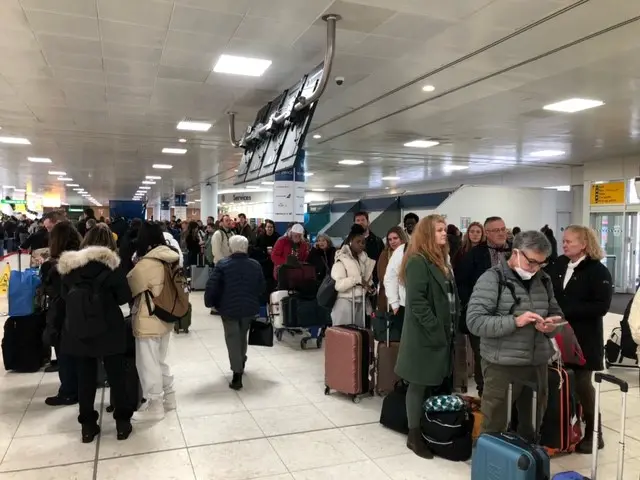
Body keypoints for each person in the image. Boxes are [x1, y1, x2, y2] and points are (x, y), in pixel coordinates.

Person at [466, 230, 564, 442]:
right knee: (494, 424)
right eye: (531, 262)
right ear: (517, 253)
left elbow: (557, 314)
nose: (535, 268)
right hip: (501, 365)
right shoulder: (492, 279)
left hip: (537, 363)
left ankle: (524, 468)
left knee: (532, 424)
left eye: (541, 263)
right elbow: (474, 322)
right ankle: (491, 470)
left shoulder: (543, 280)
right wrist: (514, 321)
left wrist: (552, 327)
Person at [57, 224, 134, 443]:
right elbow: (123, 297)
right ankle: (122, 423)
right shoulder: (113, 267)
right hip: (109, 327)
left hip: (79, 329)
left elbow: (64, 297)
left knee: (86, 378)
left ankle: (88, 426)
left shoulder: (70, 267)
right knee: (117, 376)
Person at [394, 215, 458, 459]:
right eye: (439, 230)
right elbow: (417, 303)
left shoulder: (442, 260)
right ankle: (413, 434)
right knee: (418, 383)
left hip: (444, 332)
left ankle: (430, 426)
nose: (444, 234)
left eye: (444, 229)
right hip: (425, 335)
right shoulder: (418, 261)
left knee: (434, 381)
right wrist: (436, 328)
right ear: (427, 234)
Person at [547, 225, 612, 453]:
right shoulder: (558, 265)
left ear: (584, 244)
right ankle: (565, 429)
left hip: (584, 338)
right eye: (563, 241)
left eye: (569, 241)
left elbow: (601, 306)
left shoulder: (598, 271)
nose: (564, 245)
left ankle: (595, 433)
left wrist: (565, 310)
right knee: (563, 382)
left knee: (583, 385)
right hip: (557, 334)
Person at [127, 222, 180, 422]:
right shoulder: (172, 257)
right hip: (166, 315)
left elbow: (131, 286)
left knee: (147, 362)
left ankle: (155, 405)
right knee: (159, 360)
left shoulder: (147, 263)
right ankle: (170, 397)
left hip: (148, 318)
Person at [455, 216, 511, 396]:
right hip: (482, 315)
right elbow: (461, 282)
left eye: (503, 229)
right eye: (496, 230)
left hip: (508, 315)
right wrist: (473, 304)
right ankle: (484, 393)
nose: (501, 233)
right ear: (487, 233)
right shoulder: (475, 254)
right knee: (483, 356)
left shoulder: (514, 253)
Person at [204, 236, 265, 390]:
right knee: (242, 335)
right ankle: (242, 360)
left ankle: (236, 374)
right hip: (248, 309)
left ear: (231, 248)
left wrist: (210, 302)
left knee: (232, 338)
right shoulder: (255, 265)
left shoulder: (223, 264)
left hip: (228, 308)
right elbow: (261, 287)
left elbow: (212, 285)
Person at [41, 221, 83, 405]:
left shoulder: (55, 267)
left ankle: (68, 391)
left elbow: (52, 292)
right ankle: (82, 387)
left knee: (64, 353)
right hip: (82, 313)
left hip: (62, 314)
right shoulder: (83, 260)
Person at [330, 224, 375, 326]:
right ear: (350, 242)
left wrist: (371, 288)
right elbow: (338, 285)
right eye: (358, 242)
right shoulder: (341, 259)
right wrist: (357, 280)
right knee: (343, 336)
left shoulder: (364, 260)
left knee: (357, 337)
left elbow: (367, 280)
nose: (361, 245)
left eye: (363, 242)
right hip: (345, 302)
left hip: (361, 302)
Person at [376, 226, 408, 312]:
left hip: (405, 297)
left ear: (402, 237)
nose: (392, 242)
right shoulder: (384, 254)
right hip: (388, 297)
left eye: (395, 238)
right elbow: (382, 275)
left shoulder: (409, 252)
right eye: (390, 239)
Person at [353, 211, 385, 282]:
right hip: (354, 282)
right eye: (358, 220)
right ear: (354, 223)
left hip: (374, 281)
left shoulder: (378, 241)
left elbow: (383, 262)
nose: (360, 222)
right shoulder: (348, 242)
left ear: (368, 222)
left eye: (363, 220)